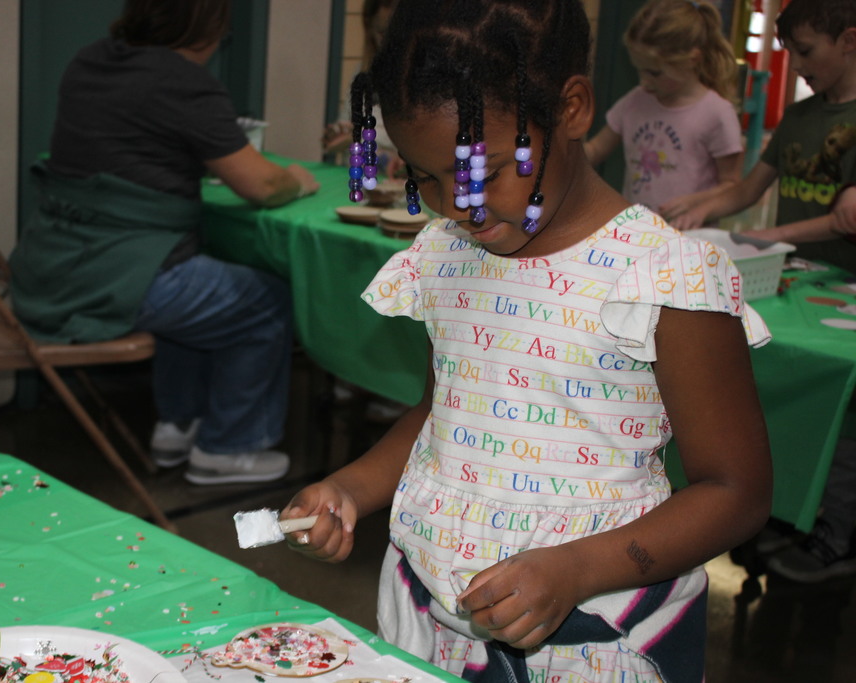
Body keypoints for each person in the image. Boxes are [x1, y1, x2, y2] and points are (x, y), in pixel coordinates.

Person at [277, 2, 773, 680]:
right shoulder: (446, 254)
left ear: (571, 108)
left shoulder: (664, 277)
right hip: (436, 611)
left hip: (593, 630)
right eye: (426, 177)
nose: (458, 205)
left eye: (482, 172)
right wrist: (349, 487)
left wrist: (576, 568)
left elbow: (735, 489)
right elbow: (441, 413)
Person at [8, 0, 320, 486]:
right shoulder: (184, 83)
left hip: (50, 263)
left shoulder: (90, 60)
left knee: (197, 274)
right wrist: (298, 180)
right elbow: (262, 186)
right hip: (115, 279)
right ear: (207, 26)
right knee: (266, 300)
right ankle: (229, 447)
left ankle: (178, 425)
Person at [670, 0, 856, 274]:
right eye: (790, 53)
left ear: (849, 41)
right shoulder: (795, 118)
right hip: (791, 271)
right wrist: (700, 212)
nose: (795, 65)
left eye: (805, 51)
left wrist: (773, 235)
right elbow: (748, 190)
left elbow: (844, 220)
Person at [584, 0, 743, 222]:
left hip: (689, 237)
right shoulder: (636, 101)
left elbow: (732, 185)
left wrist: (695, 202)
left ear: (691, 60)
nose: (644, 81)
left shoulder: (717, 113)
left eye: (654, 73)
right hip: (638, 231)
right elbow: (594, 150)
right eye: (639, 70)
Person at [321, 0, 404, 178]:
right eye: (383, 33)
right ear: (370, 27)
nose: (391, 43)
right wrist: (339, 134)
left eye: (398, 33)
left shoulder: (428, 76)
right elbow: (350, 130)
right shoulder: (364, 71)